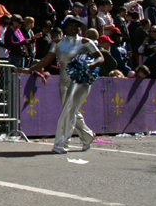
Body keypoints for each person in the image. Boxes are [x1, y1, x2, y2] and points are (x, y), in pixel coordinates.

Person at [19, 15, 103, 154]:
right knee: (70, 111)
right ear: (66, 27)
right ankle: (87, 136)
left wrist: (90, 65)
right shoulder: (57, 43)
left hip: (80, 81)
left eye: (77, 26)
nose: (74, 28)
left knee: (68, 111)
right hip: (64, 81)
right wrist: (30, 69)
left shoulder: (85, 42)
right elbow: (47, 60)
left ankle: (61, 144)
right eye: (72, 25)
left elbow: (100, 57)